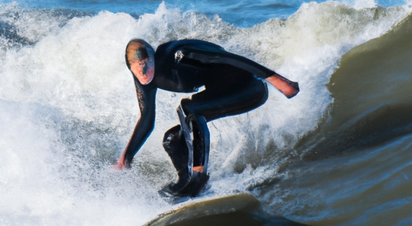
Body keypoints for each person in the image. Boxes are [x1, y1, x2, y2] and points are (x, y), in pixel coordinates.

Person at [116, 38, 299, 198]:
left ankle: (199, 176)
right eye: (138, 70)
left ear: (154, 57)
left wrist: (278, 80)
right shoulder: (142, 80)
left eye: (147, 65)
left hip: (248, 88)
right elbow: (147, 119)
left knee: (188, 108)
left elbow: (228, 58)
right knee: (171, 139)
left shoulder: (178, 54)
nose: (144, 73)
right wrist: (126, 158)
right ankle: (185, 182)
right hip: (219, 93)